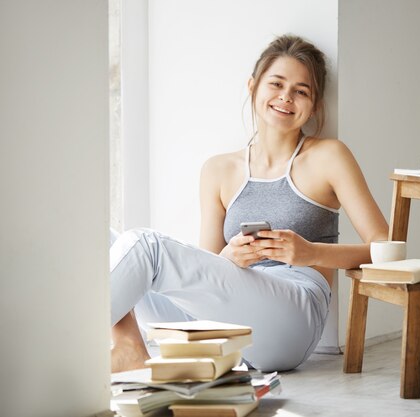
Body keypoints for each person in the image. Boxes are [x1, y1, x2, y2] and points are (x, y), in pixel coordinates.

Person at [110, 34, 388, 373]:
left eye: (301, 91)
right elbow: (208, 267)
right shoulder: (218, 169)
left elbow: (385, 247)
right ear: (253, 86)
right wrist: (230, 257)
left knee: (146, 246)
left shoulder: (329, 156)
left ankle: (64, 348)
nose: (286, 97)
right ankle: (128, 346)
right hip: (224, 322)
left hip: (292, 317)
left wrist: (310, 253)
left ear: (313, 106)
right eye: (277, 83)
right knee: (101, 237)